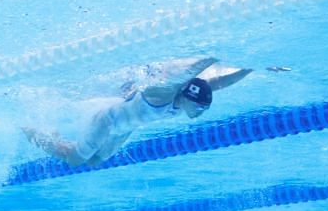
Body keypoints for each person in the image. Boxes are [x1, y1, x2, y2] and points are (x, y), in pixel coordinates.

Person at [22, 57, 270, 168]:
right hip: (107, 121)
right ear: (187, 98)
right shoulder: (160, 97)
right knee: (76, 159)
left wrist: (251, 66)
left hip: (125, 127)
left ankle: (49, 134)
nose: (199, 114)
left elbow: (218, 82)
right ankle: (33, 131)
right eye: (197, 108)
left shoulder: (187, 97)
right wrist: (207, 59)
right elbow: (179, 76)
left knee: (96, 161)